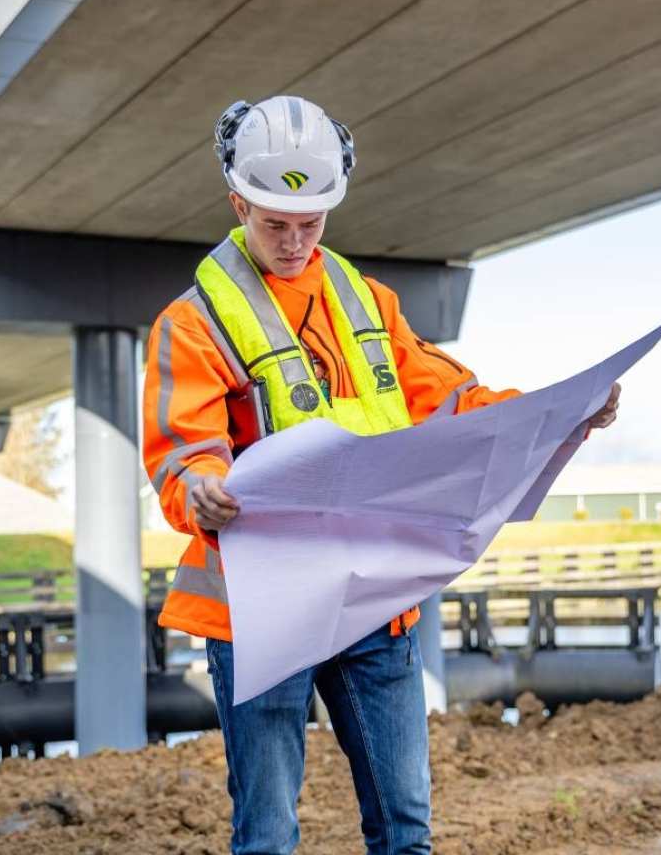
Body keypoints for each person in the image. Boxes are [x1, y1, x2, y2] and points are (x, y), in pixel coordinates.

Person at [142, 96, 620, 855]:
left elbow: (458, 401)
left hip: (369, 601)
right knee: (266, 835)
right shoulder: (194, 324)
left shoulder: (367, 304)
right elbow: (180, 452)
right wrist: (199, 486)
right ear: (239, 203)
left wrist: (559, 413)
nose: (296, 241)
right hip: (257, 612)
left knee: (405, 831)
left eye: (311, 222)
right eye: (275, 224)